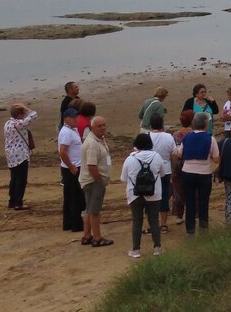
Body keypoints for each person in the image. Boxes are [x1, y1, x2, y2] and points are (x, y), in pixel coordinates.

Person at [121, 133, 165, 259]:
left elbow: (123, 178)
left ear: (136, 145)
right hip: (153, 194)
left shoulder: (130, 159)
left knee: (137, 221)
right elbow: (162, 174)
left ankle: (136, 250)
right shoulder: (157, 157)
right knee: (154, 220)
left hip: (135, 194)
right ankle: (157, 248)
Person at [175, 112, 219, 235]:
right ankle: (203, 229)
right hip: (204, 173)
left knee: (189, 202)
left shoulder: (187, 137)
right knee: (203, 202)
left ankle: (190, 231)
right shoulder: (210, 139)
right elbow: (216, 159)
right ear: (205, 124)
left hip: (188, 172)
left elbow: (179, 154)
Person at [78, 116, 113, 247]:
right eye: (99, 126)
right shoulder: (92, 143)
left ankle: (87, 235)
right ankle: (97, 238)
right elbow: (91, 166)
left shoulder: (99, 139)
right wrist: (99, 181)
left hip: (93, 180)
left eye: (104, 125)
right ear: (92, 127)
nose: (103, 128)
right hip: (93, 181)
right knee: (94, 211)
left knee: (89, 209)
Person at [3, 103, 36, 211]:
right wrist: (26, 108)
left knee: (14, 178)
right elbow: (34, 114)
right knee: (21, 180)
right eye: (23, 113)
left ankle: (12, 201)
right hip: (20, 155)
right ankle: (18, 203)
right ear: (20, 114)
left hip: (10, 155)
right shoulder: (19, 124)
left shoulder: (7, 123)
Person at [57, 108, 85, 234]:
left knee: (71, 196)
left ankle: (69, 223)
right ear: (66, 118)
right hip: (72, 168)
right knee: (75, 197)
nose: (75, 119)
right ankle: (75, 224)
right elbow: (62, 151)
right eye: (73, 117)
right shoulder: (66, 132)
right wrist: (71, 166)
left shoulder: (71, 130)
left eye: (76, 117)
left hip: (73, 166)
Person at [148, 114, 176, 232]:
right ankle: (164, 224)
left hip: (150, 170)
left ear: (151, 125)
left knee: (150, 196)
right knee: (164, 196)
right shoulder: (168, 137)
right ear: (162, 124)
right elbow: (173, 155)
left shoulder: (147, 136)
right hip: (166, 169)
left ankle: (151, 225)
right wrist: (173, 171)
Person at [170, 109, 194, 225]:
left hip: (178, 165)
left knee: (178, 190)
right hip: (191, 164)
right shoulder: (194, 134)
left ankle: (179, 215)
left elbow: (173, 152)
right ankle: (193, 213)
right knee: (193, 190)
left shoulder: (175, 134)